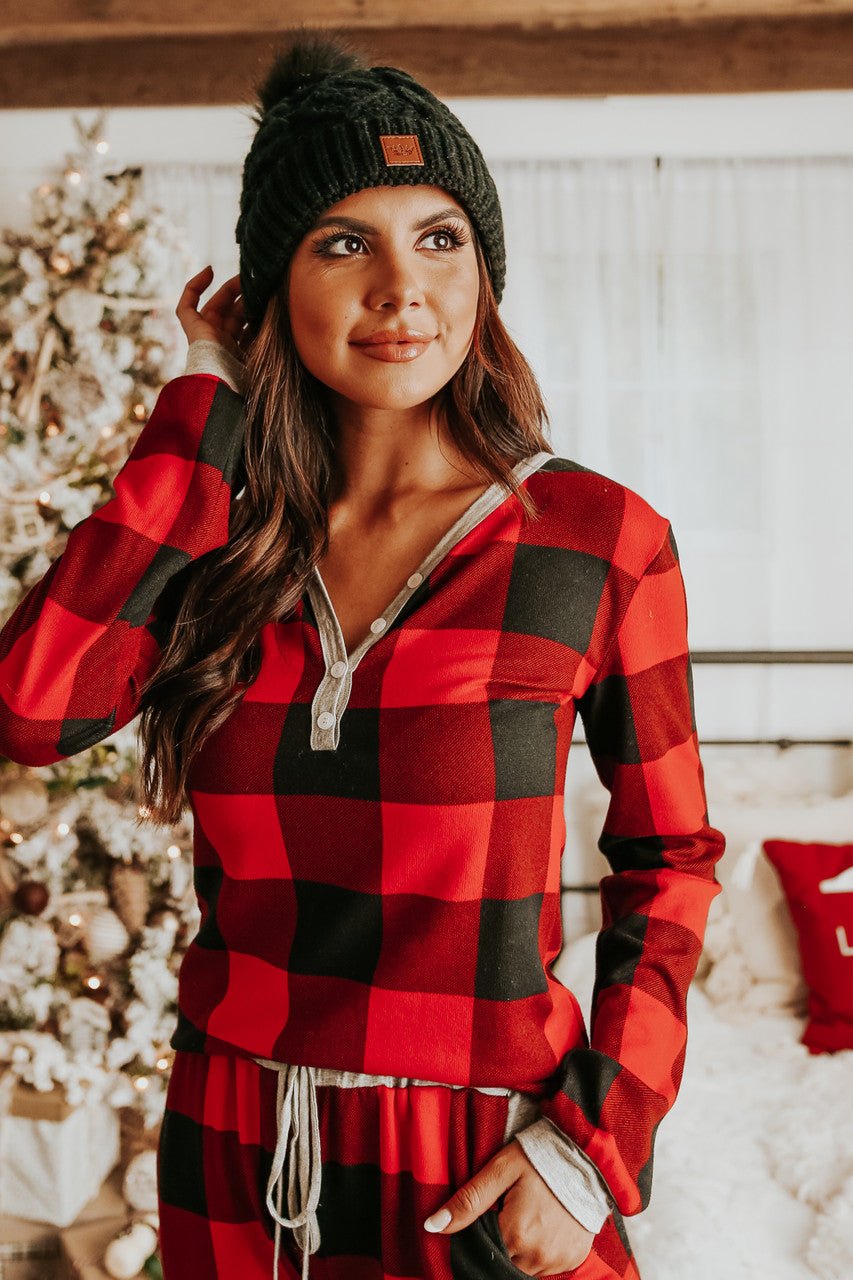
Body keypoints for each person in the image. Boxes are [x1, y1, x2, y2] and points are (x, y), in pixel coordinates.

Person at [0, 28, 725, 1280]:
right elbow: (31, 707)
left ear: (485, 275)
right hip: (234, 1141)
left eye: (440, 238)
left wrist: (591, 1144)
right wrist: (197, 408)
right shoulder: (217, 537)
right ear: (271, 281)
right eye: (345, 242)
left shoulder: (598, 542)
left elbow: (670, 861)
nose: (403, 289)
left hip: (482, 1162)